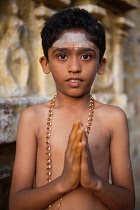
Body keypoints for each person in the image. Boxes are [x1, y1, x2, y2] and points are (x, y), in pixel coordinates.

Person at [9, 7, 135, 210]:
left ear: (101, 65)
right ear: (45, 63)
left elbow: (127, 203)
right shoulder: (32, 118)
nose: (74, 67)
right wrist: (64, 182)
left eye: (86, 56)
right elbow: (16, 203)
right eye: (62, 56)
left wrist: (93, 182)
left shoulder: (113, 118)